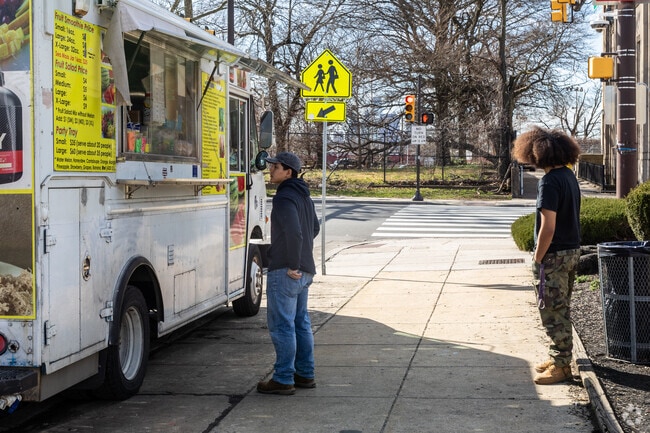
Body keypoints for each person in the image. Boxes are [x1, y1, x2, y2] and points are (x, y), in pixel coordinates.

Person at [511, 127, 581, 385]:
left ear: (535, 153)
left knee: (552, 312)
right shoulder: (569, 176)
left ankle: (562, 367)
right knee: (561, 308)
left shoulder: (549, 182)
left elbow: (547, 227)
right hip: (572, 251)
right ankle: (558, 358)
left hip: (553, 257)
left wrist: (538, 258)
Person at [257, 152, 320, 395]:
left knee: (282, 325)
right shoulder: (304, 196)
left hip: (287, 270)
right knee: (300, 323)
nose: (270, 170)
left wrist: (292, 262)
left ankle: (283, 378)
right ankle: (305, 374)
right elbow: (313, 227)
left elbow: (295, 232)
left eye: (275, 166)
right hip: (305, 271)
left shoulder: (284, 197)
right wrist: (302, 257)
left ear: (288, 171)